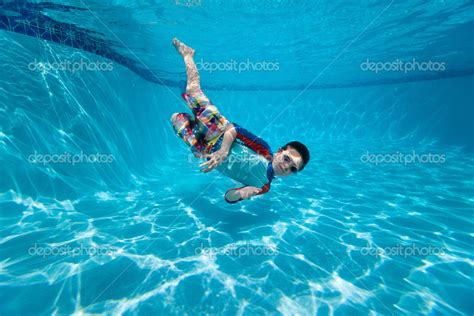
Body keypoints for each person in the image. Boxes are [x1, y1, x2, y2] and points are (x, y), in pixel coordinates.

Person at [171, 38, 310, 203]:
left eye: (293, 169)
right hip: (218, 130)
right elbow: (234, 129)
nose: (287, 167)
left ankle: (185, 97)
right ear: (279, 151)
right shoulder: (264, 150)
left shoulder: (263, 186)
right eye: (287, 159)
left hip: (205, 151)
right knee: (192, 90)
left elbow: (228, 197)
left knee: (175, 118)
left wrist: (243, 193)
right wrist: (223, 152)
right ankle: (188, 55)